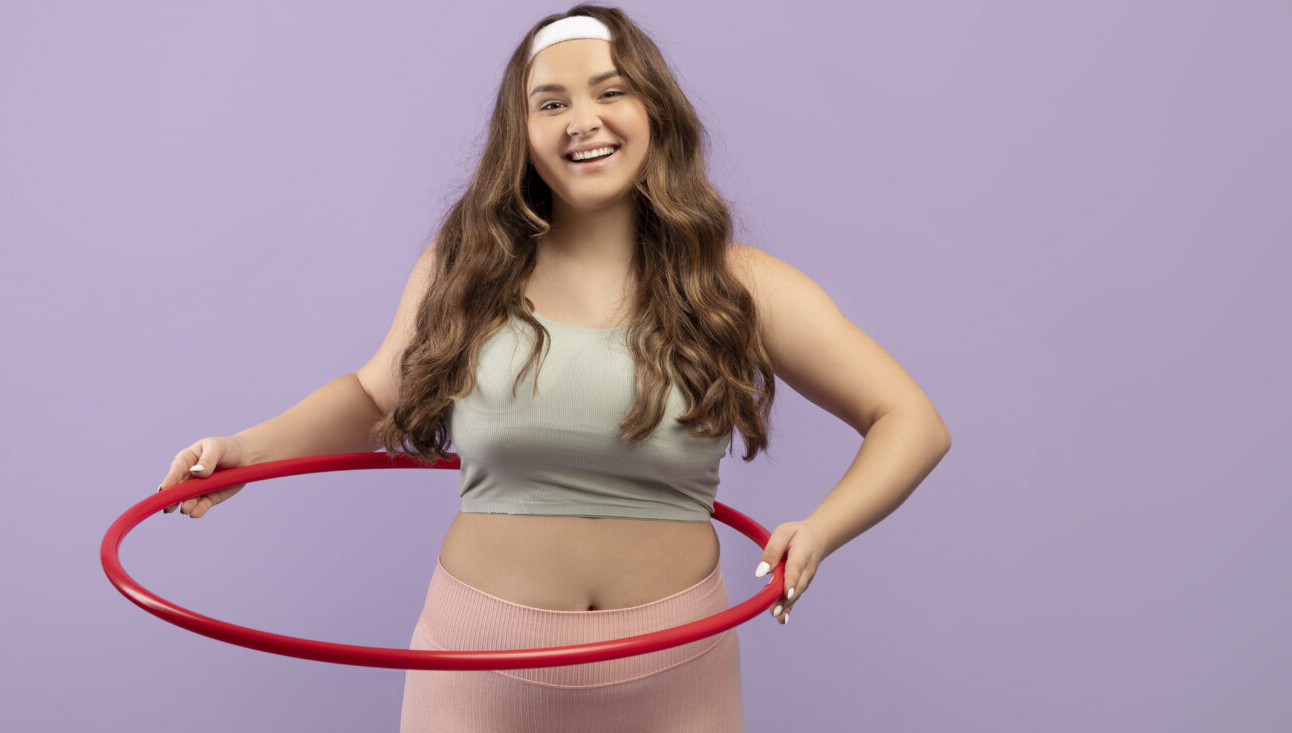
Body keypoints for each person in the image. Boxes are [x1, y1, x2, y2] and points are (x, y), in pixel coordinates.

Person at [155, 6, 950, 731]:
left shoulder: (735, 284)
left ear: (654, 111)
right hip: (478, 666)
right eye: (552, 102)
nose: (585, 121)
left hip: (676, 673)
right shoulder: (467, 269)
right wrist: (250, 452)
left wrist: (818, 532)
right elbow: (372, 395)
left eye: (611, 91)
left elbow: (912, 421)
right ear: (523, 132)